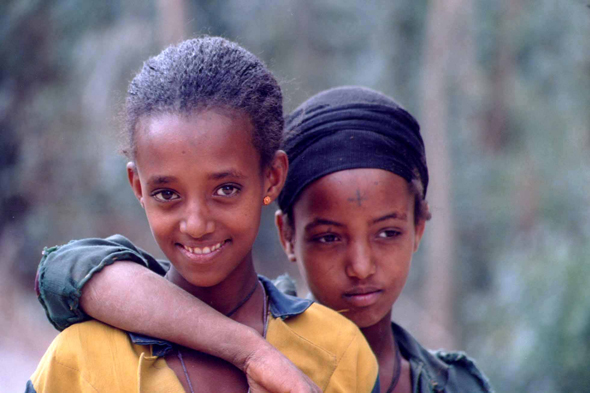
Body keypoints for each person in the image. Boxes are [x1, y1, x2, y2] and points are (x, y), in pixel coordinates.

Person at [33, 87, 493, 392]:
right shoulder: (102, 353)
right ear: (287, 235)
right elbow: (66, 270)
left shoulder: (420, 375)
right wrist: (251, 349)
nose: (361, 265)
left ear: (420, 228)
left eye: (387, 232)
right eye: (328, 237)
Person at [27, 38, 380, 393]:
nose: (195, 224)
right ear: (138, 187)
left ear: (271, 177)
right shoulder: (80, 362)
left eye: (226, 189)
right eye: (167, 194)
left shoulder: (338, 352)